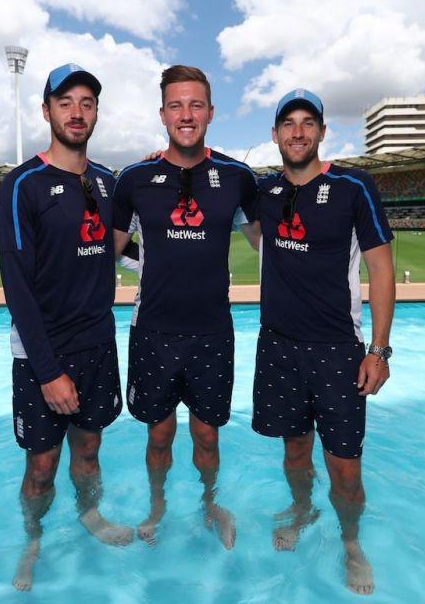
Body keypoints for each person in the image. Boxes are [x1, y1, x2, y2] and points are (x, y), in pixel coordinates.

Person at [250, 89, 395, 596]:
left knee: (345, 466)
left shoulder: (354, 186)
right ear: (275, 134)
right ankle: (302, 509)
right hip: (278, 346)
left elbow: (380, 267)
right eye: (288, 123)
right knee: (294, 453)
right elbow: (250, 229)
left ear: (321, 132)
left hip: (337, 349)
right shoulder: (264, 192)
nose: (297, 131)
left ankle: (352, 543)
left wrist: (378, 349)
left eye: (307, 122)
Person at [0, 63, 133, 591]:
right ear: (47, 109)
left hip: (98, 344)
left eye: (87, 103)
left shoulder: (107, 181)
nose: (77, 112)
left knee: (90, 451)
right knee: (41, 465)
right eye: (66, 101)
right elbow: (17, 285)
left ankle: (89, 516)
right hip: (43, 354)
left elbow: (125, 250)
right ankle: (32, 539)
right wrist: (48, 369)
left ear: (96, 111)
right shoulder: (22, 184)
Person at [113, 65, 259, 549]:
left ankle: (209, 503)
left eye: (196, 104)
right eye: (176, 105)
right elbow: (108, 251)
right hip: (152, 330)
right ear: (162, 113)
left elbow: (270, 245)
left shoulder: (238, 177)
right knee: (158, 436)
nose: (186, 114)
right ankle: (157, 507)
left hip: (212, 333)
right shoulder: (135, 178)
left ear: (211, 112)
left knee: (208, 437)